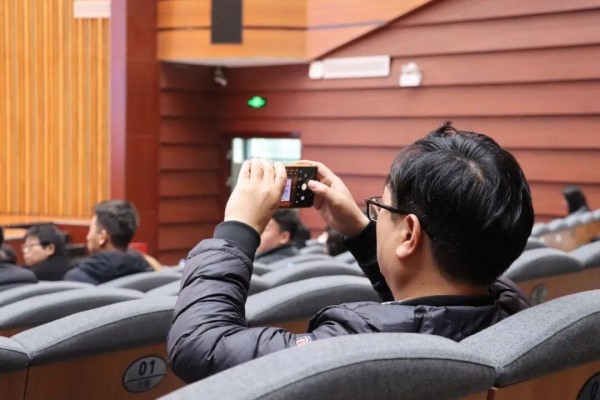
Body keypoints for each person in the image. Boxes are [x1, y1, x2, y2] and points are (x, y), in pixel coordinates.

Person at [167, 123, 534, 383]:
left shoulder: (355, 347)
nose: (376, 215)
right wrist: (360, 230)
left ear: (409, 233)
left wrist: (237, 229)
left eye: (381, 208)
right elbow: (430, 309)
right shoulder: (510, 308)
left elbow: (200, 346)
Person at [63, 200, 152, 284]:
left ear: (102, 237)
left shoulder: (75, 279)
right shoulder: (149, 274)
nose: (88, 237)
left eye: (90, 230)